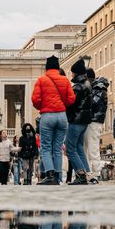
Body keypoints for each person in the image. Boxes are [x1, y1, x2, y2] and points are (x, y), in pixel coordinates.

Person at [32, 56, 76, 185]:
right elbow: (71, 98)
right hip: (62, 116)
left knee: (46, 147)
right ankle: (58, 176)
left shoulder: (41, 80)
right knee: (57, 148)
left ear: (46, 67)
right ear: (58, 67)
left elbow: (35, 99)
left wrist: (42, 106)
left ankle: (50, 175)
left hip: (47, 115)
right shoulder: (65, 80)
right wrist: (62, 105)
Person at [65, 59, 92, 185]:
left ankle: (81, 175)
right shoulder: (87, 84)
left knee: (70, 148)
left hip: (76, 119)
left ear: (76, 73)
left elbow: (72, 103)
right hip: (85, 121)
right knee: (80, 148)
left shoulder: (77, 87)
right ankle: (88, 174)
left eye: (72, 73)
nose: (71, 75)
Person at [85, 69, 109, 183]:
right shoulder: (96, 89)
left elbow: (93, 103)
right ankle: (90, 173)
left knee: (93, 148)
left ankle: (95, 174)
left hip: (94, 121)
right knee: (89, 148)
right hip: (92, 121)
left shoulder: (99, 89)